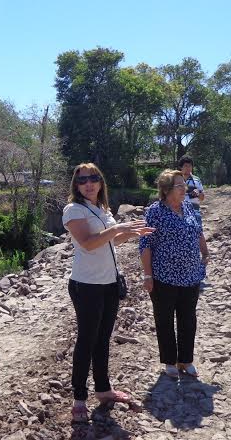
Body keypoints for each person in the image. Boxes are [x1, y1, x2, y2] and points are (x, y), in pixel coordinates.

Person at [61, 163, 154, 423]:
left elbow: (111, 241)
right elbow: (89, 244)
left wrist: (129, 233)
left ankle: (103, 389)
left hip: (110, 283)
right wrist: (116, 229)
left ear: (101, 181)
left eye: (93, 178)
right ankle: (79, 398)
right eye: (82, 180)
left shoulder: (102, 208)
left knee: (103, 339)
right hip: (86, 285)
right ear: (76, 185)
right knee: (86, 340)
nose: (88, 184)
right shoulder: (74, 209)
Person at [139, 169, 209, 379]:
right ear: (166, 190)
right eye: (179, 185)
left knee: (188, 319)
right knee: (165, 320)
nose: (184, 189)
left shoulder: (187, 206)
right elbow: (145, 244)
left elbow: (197, 231)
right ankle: (170, 361)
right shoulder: (155, 212)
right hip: (164, 277)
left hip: (190, 275)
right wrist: (148, 275)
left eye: (183, 184)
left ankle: (185, 360)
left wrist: (205, 252)